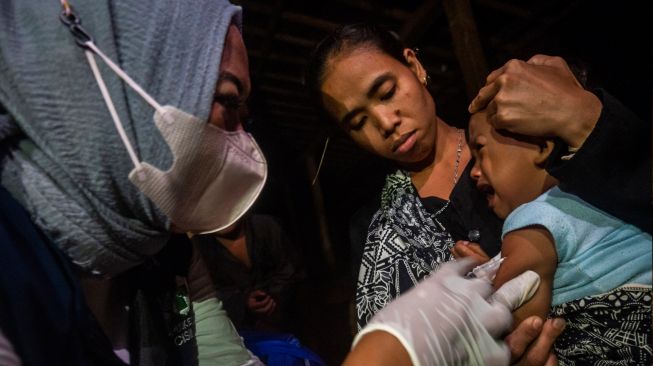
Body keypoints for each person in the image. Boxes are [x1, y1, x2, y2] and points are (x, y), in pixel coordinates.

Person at [305, 22, 648, 364]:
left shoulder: (519, 143)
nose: (384, 122)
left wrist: (585, 118)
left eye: (386, 92)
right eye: (357, 122)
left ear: (414, 66)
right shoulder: (373, 232)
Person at [455, 106, 651, 364]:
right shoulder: (607, 196)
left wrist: (480, 288)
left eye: (481, 150)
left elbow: (509, 325)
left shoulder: (532, 217)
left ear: (541, 147)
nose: (473, 172)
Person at [192, 213, 304, 331]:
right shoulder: (199, 247)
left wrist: (271, 300)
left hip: (288, 314)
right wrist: (243, 302)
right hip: (240, 329)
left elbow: (290, 269)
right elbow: (207, 295)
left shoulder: (264, 225)